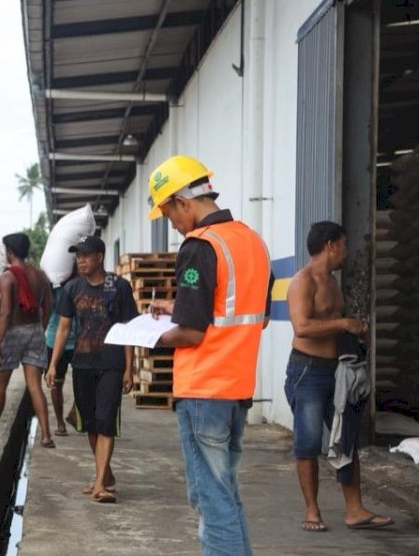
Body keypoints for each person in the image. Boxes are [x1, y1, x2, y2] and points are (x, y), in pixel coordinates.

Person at [146, 155, 272, 556]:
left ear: (183, 202)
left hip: (204, 389)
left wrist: (149, 338)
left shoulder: (199, 247)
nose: (172, 224)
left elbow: (192, 331)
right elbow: (249, 313)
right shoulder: (252, 241)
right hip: (236, 389)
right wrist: (175, 306)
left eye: (168, 213)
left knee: (211, 502)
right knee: (225, 495)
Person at [287, 221, 392, 532]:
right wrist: (345, 324)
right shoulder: (303, 281)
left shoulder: (332, 281)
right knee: (308, 443)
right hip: (307, 371)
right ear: (330, 245)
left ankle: (354, 510)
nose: (346, 252)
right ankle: (312, 511)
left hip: (338, 371)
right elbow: (302, 327)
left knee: (346, 439)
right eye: (344, 245)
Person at [46, 236, 138, 503]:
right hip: (82, 364)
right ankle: (104, 474)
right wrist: (53, 364)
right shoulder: (72, 288)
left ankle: (99, 485)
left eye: (86, 255)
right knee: (91, 424)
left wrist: (129, 368)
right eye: (78, 256)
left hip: (111, 364)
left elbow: (128, 329)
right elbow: (63, 328)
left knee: (106, 421)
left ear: (100, 256)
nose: (81, 260)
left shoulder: (118, 287)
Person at [0, 233, 55, 452]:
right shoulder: (41, 276)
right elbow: (48, 307)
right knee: (34, 385)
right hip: (35, 331)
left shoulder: (8, 277)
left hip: (13, 332)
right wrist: (41, 328)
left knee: (0, 387)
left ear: (10, 252)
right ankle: (46, 435)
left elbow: (5, 313)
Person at [45, 278, 78, 436]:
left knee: (85, 382)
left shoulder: (80, 285)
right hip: (55, 341)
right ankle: (60, 423)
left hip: (78, 341)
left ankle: (73, 412)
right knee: (56, 383)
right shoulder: (52, 287)